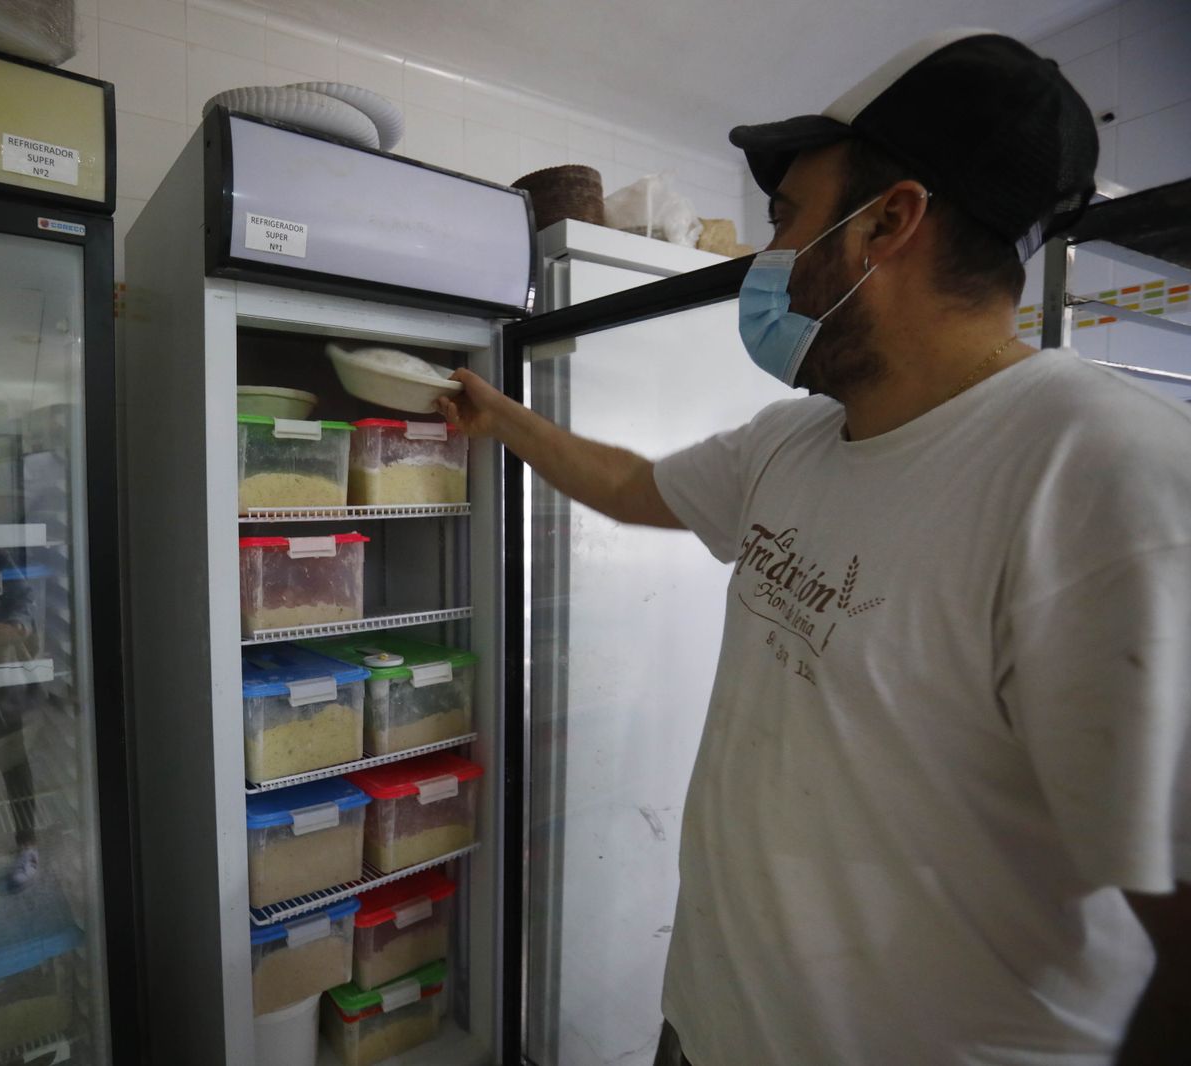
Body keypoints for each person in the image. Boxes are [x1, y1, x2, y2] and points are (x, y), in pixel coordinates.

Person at [438, 30, 1191, 1066]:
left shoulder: (1105, 476)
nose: (768, 260)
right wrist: (503, 418)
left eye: (786, 219)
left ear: (889, 221)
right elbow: (628, 485)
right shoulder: (791, 441)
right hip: (706, 1025)